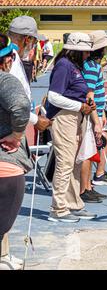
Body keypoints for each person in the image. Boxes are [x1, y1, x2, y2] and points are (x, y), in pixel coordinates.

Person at [45, 32, 97, 223]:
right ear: (75, 51)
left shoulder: (72, 66)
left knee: (75, 162)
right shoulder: (64, 66)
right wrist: (80, 106)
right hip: (64, 117)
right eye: (84, 52)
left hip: (75, 117)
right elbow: (53, 96)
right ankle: (58, 208)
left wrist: (85, 104)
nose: (87, 55)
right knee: (66, 162)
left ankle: (73, 203)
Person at [0, 34, 33, 270]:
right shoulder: (6, 81)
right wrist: (17, 135)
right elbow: (21, 105)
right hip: (5, 166)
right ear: (8, 59)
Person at [80, 30, 107, 204]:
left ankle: (93, 181)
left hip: (96, 113)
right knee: (89, 152)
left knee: (100, 143)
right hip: (89, 115)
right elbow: (90, 96)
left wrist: (101, 113)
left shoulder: (94, 66)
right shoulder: (91, 67)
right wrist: (96, 121)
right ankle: (86, 187)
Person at [7, 16, 52, 132]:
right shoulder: (10, 61)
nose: (34, 45)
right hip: (9, 132)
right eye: (35, 41)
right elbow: (11, 102)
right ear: (27, 40)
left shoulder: (13, 57)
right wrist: (36, 120)